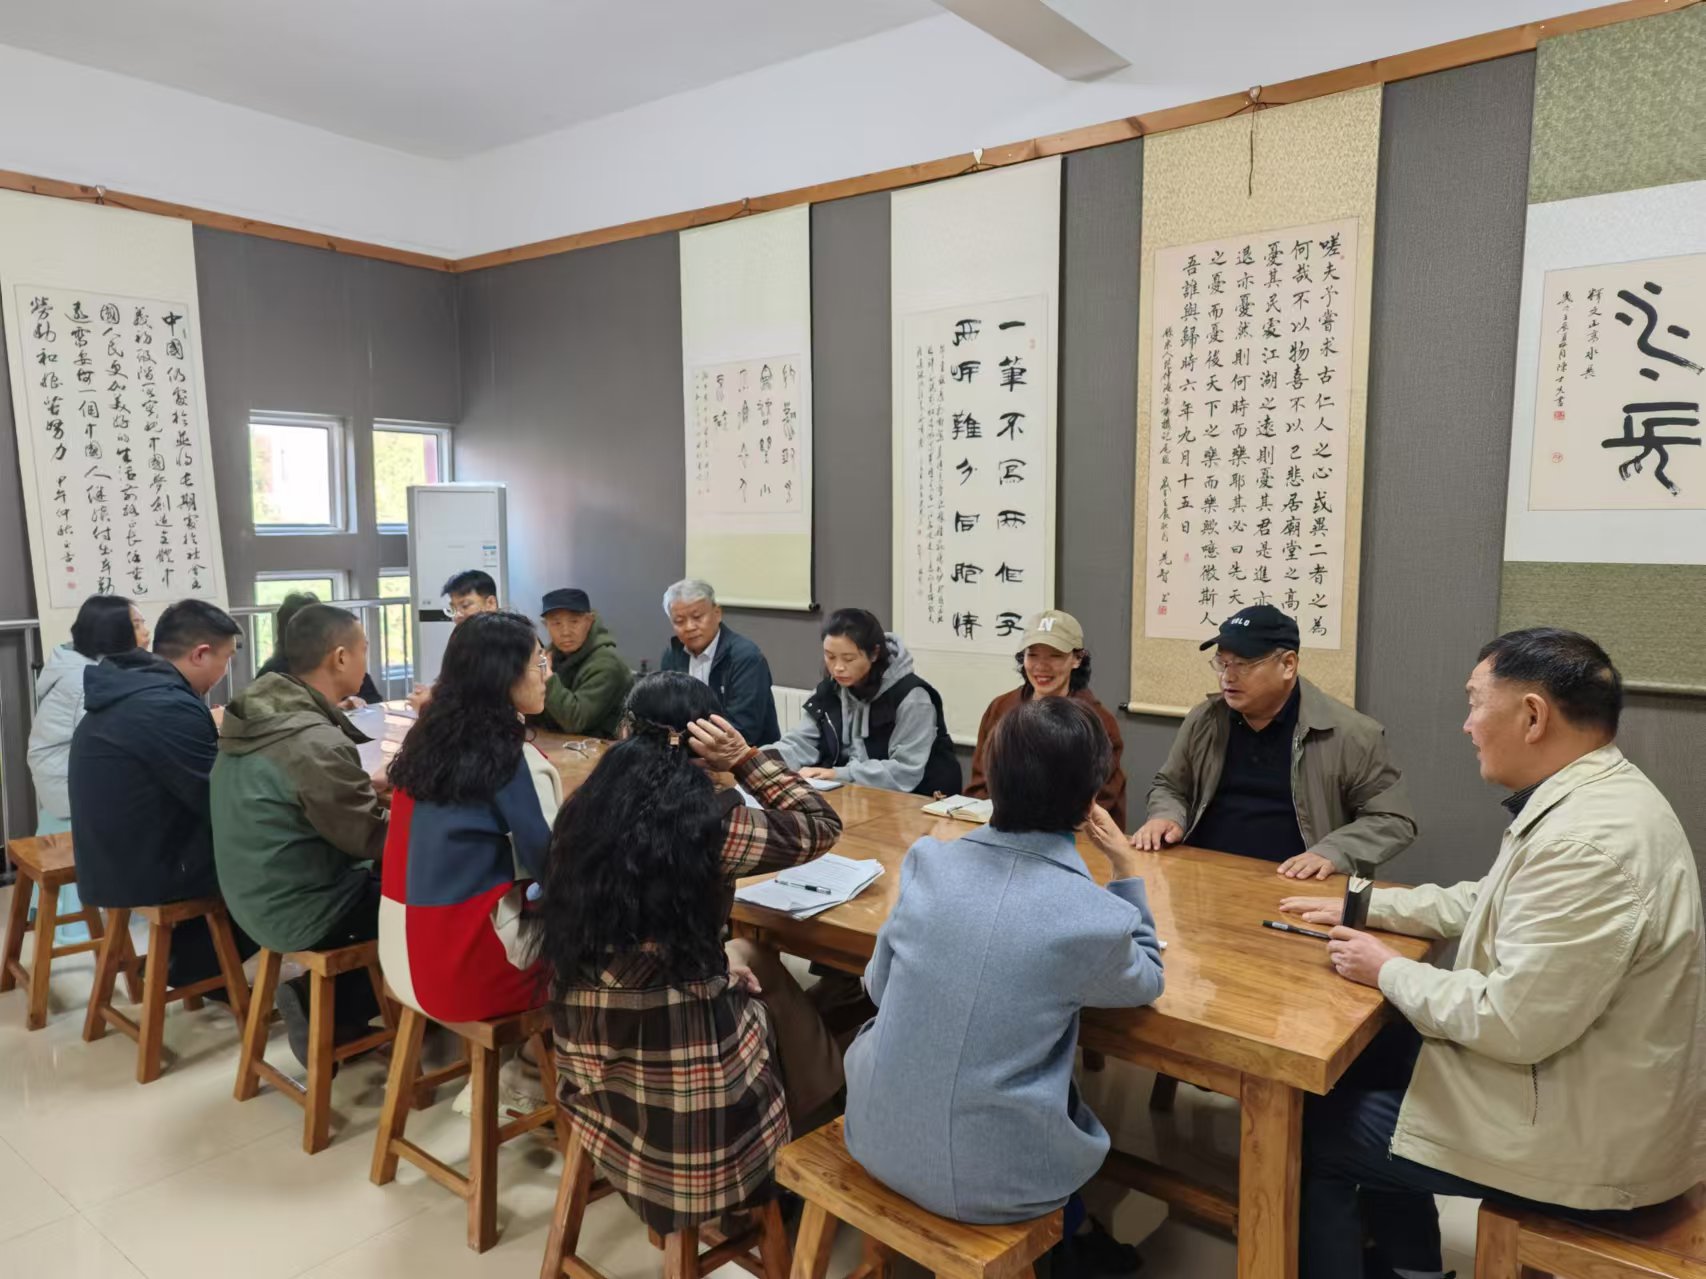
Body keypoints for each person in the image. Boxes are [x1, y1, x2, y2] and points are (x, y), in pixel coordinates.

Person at [1282, 628, 1705, 1279]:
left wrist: (1387, 967)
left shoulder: (1586, 842)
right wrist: (1365, 907)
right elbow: (1489, 900)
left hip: (1589, 1142)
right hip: (1581, 1083)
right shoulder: (1598, 796)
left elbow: (1511, 1021)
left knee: (1319, 1133)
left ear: (1533, 716)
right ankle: (1415, 1270)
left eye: (1476, 702)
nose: (1467, 725)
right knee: (1369, 1059)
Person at [843, 696, 1164, 1267]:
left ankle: (1078, 1230)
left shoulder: (927, 863)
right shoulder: (1093, 915)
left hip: (872, 1134)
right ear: (1090, 802)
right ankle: (1076, 1236)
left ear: (990, 778)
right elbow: (1147, 979)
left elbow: (879, 988)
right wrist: (1126, 868)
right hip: (999, 1183)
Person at [537, 672, 845, 1236]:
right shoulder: (713, 826)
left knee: (745, 963)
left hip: (592, 1073)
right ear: (708, 741)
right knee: (768, 977)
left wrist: (715, 966)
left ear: (626, 730)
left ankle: (801, 1126)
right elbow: (820, 825)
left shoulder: (582, 812)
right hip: (693, 1103)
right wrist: (746, 759)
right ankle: (803, 1139)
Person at [211, 605, 389, 1066]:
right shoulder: (312, 741)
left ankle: (340, 1011)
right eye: (365, 649)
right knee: (432, 899)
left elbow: (298, 793)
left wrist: (363, 787)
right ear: (341, 658)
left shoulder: (259, 711)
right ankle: (328, 1005)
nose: (366, 659)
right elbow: (373, 839)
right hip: (305, 908)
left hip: (250, 897)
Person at [1133, 604, 1417, 880]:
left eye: (1242, 664)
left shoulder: (1351, 734)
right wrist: (1166, 816)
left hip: (1296, 885)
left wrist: (1333, 852)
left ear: (1288, 665)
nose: (1227, 676)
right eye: (1222, 663)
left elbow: (1392, 819)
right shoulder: (1205, 719)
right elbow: (1170, 786)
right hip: (1203, 878)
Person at [379, 610, 558, 1025]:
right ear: (503, 677)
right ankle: (544, 1061)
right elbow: (556, 870)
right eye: (538, 663)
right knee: (613, 935)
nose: (547, 674)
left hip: (401, 959)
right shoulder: (512, 759)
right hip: (470, 977)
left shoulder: (425, 743)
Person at [68, 599, 256, 988]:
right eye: (227, 659)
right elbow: (219, 800)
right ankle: (193, 964)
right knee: (290, 857)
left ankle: (199, 962)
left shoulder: (135, 684)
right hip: (144, 867)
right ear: (200, 654)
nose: (226, 671)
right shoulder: (167, 705)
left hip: (113, 855)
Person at [25, 595, 149, 944]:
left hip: (61, 768)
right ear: (113, 632)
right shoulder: (87, 678)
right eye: (137, 625)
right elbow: (103, 745)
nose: (147, 631)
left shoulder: (86, 665)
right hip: (65, 776)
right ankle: (132, 899)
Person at [767, 607, 960, 797]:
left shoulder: (912, 697)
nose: (837, 667)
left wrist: (841, 774)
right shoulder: (829, 691)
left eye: (848, 659)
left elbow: (905, 770)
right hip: (853, 796)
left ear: (874, 653)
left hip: (920, 800)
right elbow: (800, 743)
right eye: (830, 656)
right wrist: (759, 761)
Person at [966, 609, 1127, 828]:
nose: (1041, 666)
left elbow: (1101, 798)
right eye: (1032, 655)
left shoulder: (1097, 721)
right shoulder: (1001, 708)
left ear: (1077, 659)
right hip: (1001, 830)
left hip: (1072, 836)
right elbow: (980, 785)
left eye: (1055, 655)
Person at [659, 578, 779, 745]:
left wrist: (682, 742)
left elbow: (743, 729)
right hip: (689, 751)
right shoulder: (672, 655)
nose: (689, 627)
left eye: (697, 617)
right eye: (679, 621)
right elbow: (666, 717)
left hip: (745, 754)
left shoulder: (746, 658)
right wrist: (672, 743)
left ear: (717, 613)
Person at [255, 590, 381, 705]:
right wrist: (335, 711)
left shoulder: (347, 666)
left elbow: (375, 703)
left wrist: (361, 704)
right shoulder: (271, 675)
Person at [538, 588, 633, 738]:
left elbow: (575, 720)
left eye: (574, 622)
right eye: (556, 623)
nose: (565, 632)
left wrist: (547, 678)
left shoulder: (607, 662)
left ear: (589, 621)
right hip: (563, 743)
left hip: (606, 746)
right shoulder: (551, 655)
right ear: (546, 625)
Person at [408, 570, 501, 712]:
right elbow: (456, 685)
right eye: (453, 608)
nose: (457, 615)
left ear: (490, 603)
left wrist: (429, 705)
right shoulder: (461, 640)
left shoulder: (507, 642)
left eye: (465, 606)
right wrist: (434, 692)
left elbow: (483, 701)